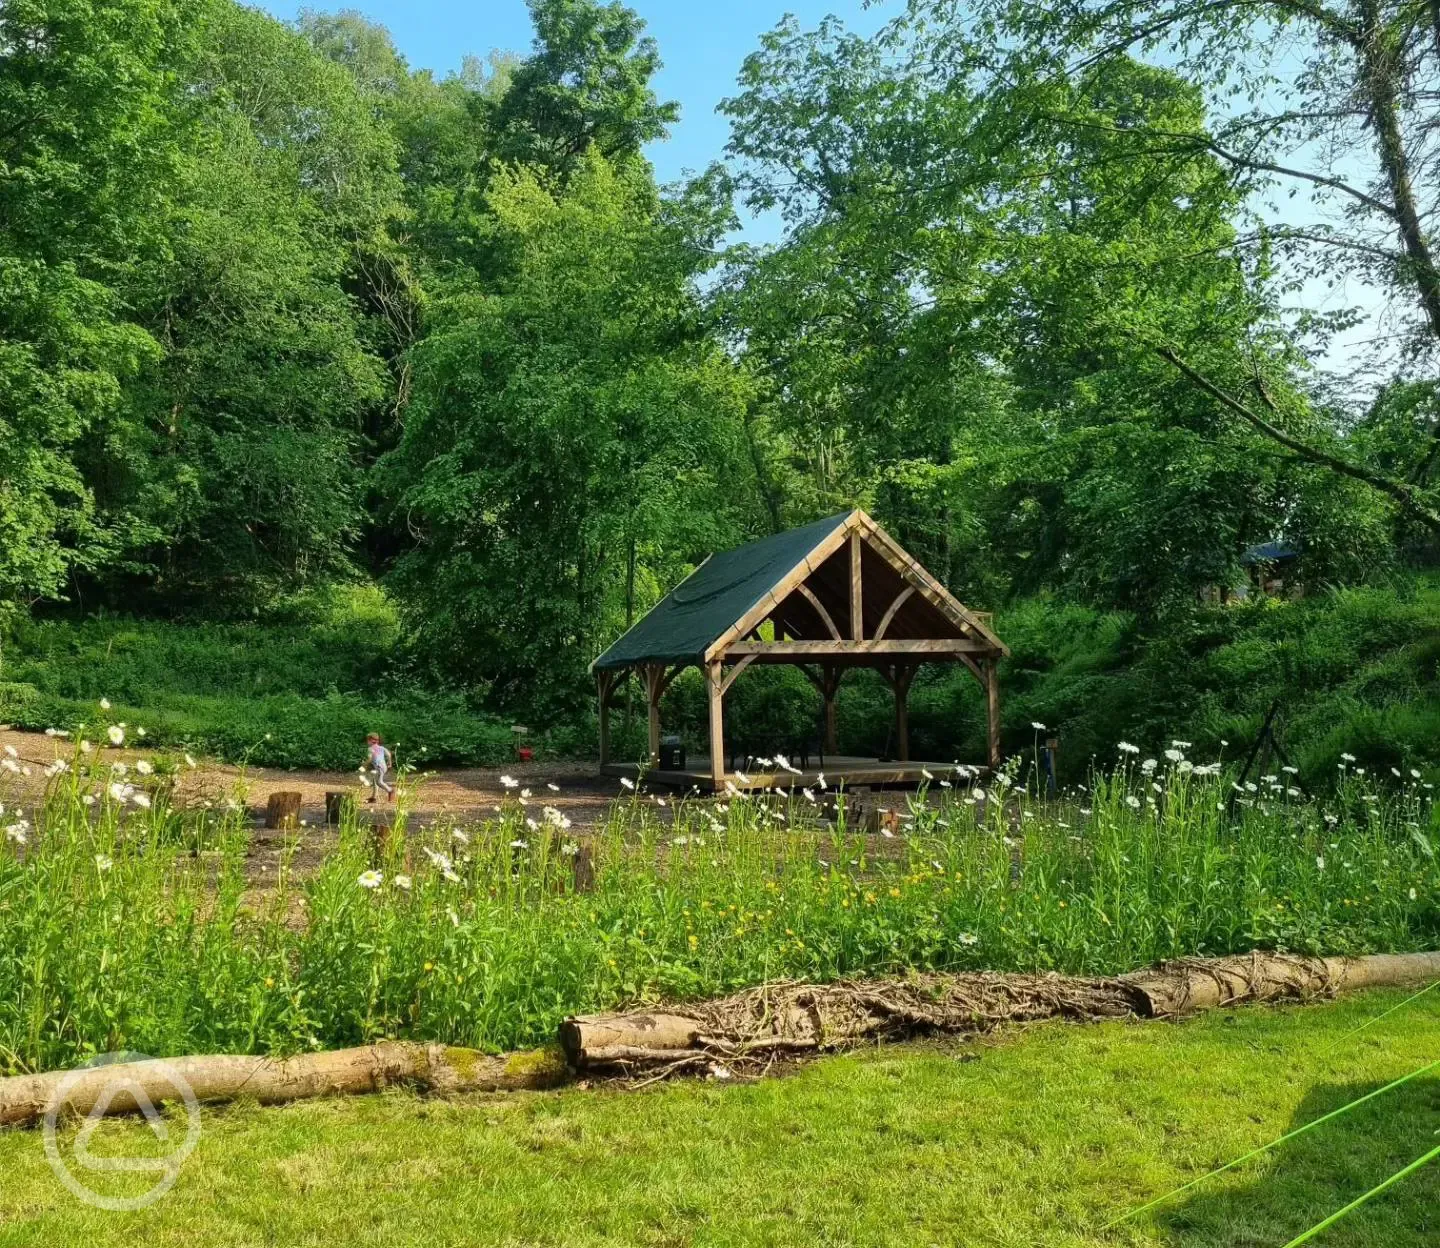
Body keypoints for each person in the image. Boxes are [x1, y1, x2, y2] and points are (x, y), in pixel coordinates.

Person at [364, 733, 394, 803]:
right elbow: (389, 754)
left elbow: (370, 759)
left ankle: (390, 790)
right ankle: (373, 797)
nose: (367, 742)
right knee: (375, 780)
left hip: (379, 767)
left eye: (367, 740)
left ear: (371, 740)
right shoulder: (382, 748)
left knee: (379, 782)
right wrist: (390, 763)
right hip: (383, 767)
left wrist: (364, 764)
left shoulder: (370, 749)